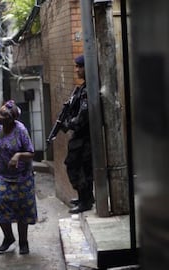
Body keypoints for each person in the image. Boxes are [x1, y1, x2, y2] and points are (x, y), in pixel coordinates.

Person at [0, 100, 37, 255]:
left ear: (11, 119)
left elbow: (31, 152)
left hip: (22, 177)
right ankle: (8, 237)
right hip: (2, 175)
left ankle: (23, 242)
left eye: (3, 115)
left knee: (22, 210)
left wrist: (18, 155)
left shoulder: (20, 130)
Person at [62, 55, 95, 214]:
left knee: (80, 169)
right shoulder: (82, 88)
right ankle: (85, 198)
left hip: (85, 138)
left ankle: (86, 201)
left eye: (79, 67)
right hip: (81, 139)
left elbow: (81, 118)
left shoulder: (88, 91)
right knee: (78, 167)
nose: (76, 70)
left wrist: (68, 123)